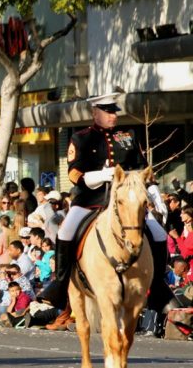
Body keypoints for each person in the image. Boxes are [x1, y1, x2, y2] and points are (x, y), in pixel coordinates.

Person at [37, 93, 177, 328]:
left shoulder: (128, 136)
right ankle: (60, 286)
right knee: (65, 233)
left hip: (127, 200)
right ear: (95, 113)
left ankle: (159, 287)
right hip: (90, 199)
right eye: (107, 111)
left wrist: (153, 193)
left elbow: (143, 168)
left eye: (114, 111)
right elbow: (74, 174)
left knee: (158, 233)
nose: (113, 116)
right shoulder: (81, 138)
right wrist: (103, 175)